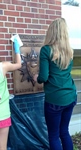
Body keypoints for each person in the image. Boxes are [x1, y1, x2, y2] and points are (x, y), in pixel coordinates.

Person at [33, 18, 77, 150]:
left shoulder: (46, 50)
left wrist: (37, 78)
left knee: (53, 135)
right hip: (70, 96)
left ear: (51, 32)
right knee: (64, 132)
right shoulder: (69, 51)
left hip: (55, 100)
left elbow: (44, 77)